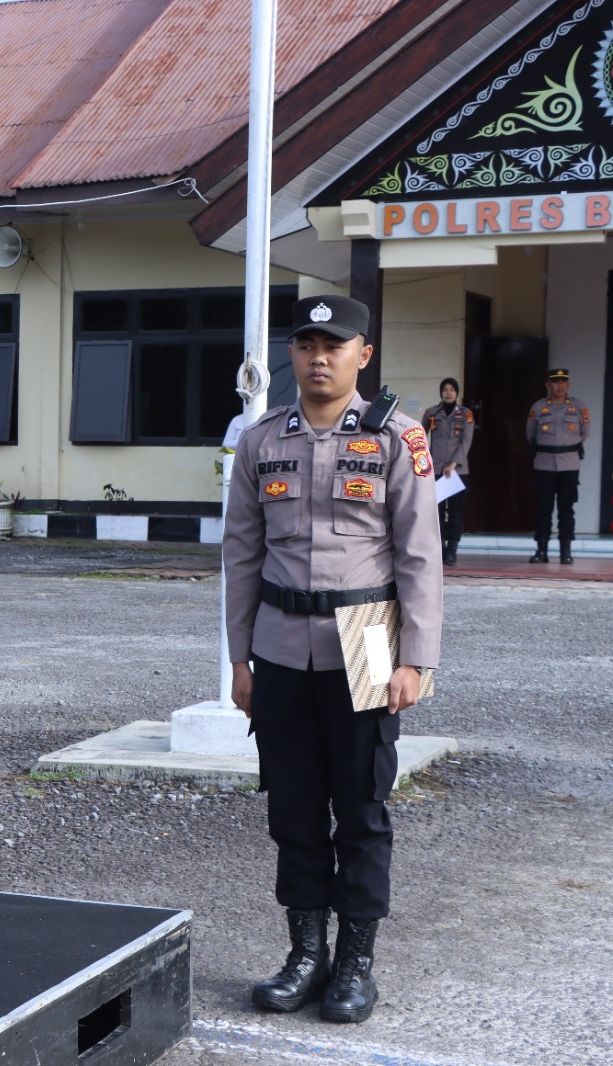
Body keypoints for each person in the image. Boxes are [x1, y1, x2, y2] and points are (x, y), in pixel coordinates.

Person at [224, 295, 442, 1024]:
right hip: (281, 645)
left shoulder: (398, 438)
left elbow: (420, 557)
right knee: (292, 809)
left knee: (361, 809)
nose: (319, 356)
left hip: (369, 638)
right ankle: (305, 956)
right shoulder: (261, 442)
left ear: (362, 355)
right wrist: (240, 659)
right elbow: (242, 556)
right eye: (307, 343)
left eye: (335, 344)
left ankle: (355, 964)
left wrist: (416, 658)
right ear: (292, 353)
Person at [525, 369, 589, 564]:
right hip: (544, 463)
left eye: (563, 381)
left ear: (568, 385)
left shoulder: (578, 407)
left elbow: (585, 432)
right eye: (555, 381)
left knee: (566, 509)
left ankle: (565, 551)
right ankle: (541, 550)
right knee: (543, 509)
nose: (560, 385)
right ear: (548, 385)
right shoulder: (538, 407)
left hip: (569, 464)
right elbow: (530, 434)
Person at [421, 378, 474, 566]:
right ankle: (440, 548)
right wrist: (424, 459)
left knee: (455, 513)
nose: (448, 392)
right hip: (435, 470)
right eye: (445, 389)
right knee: (436, 512)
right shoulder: (432, 413)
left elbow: (466, 441)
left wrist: (454, 464)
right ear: (441, 392)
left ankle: (452, 550)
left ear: (457, 392)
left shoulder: (466, 415)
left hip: (457, 472)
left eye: (452, 389)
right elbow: (420, 436)